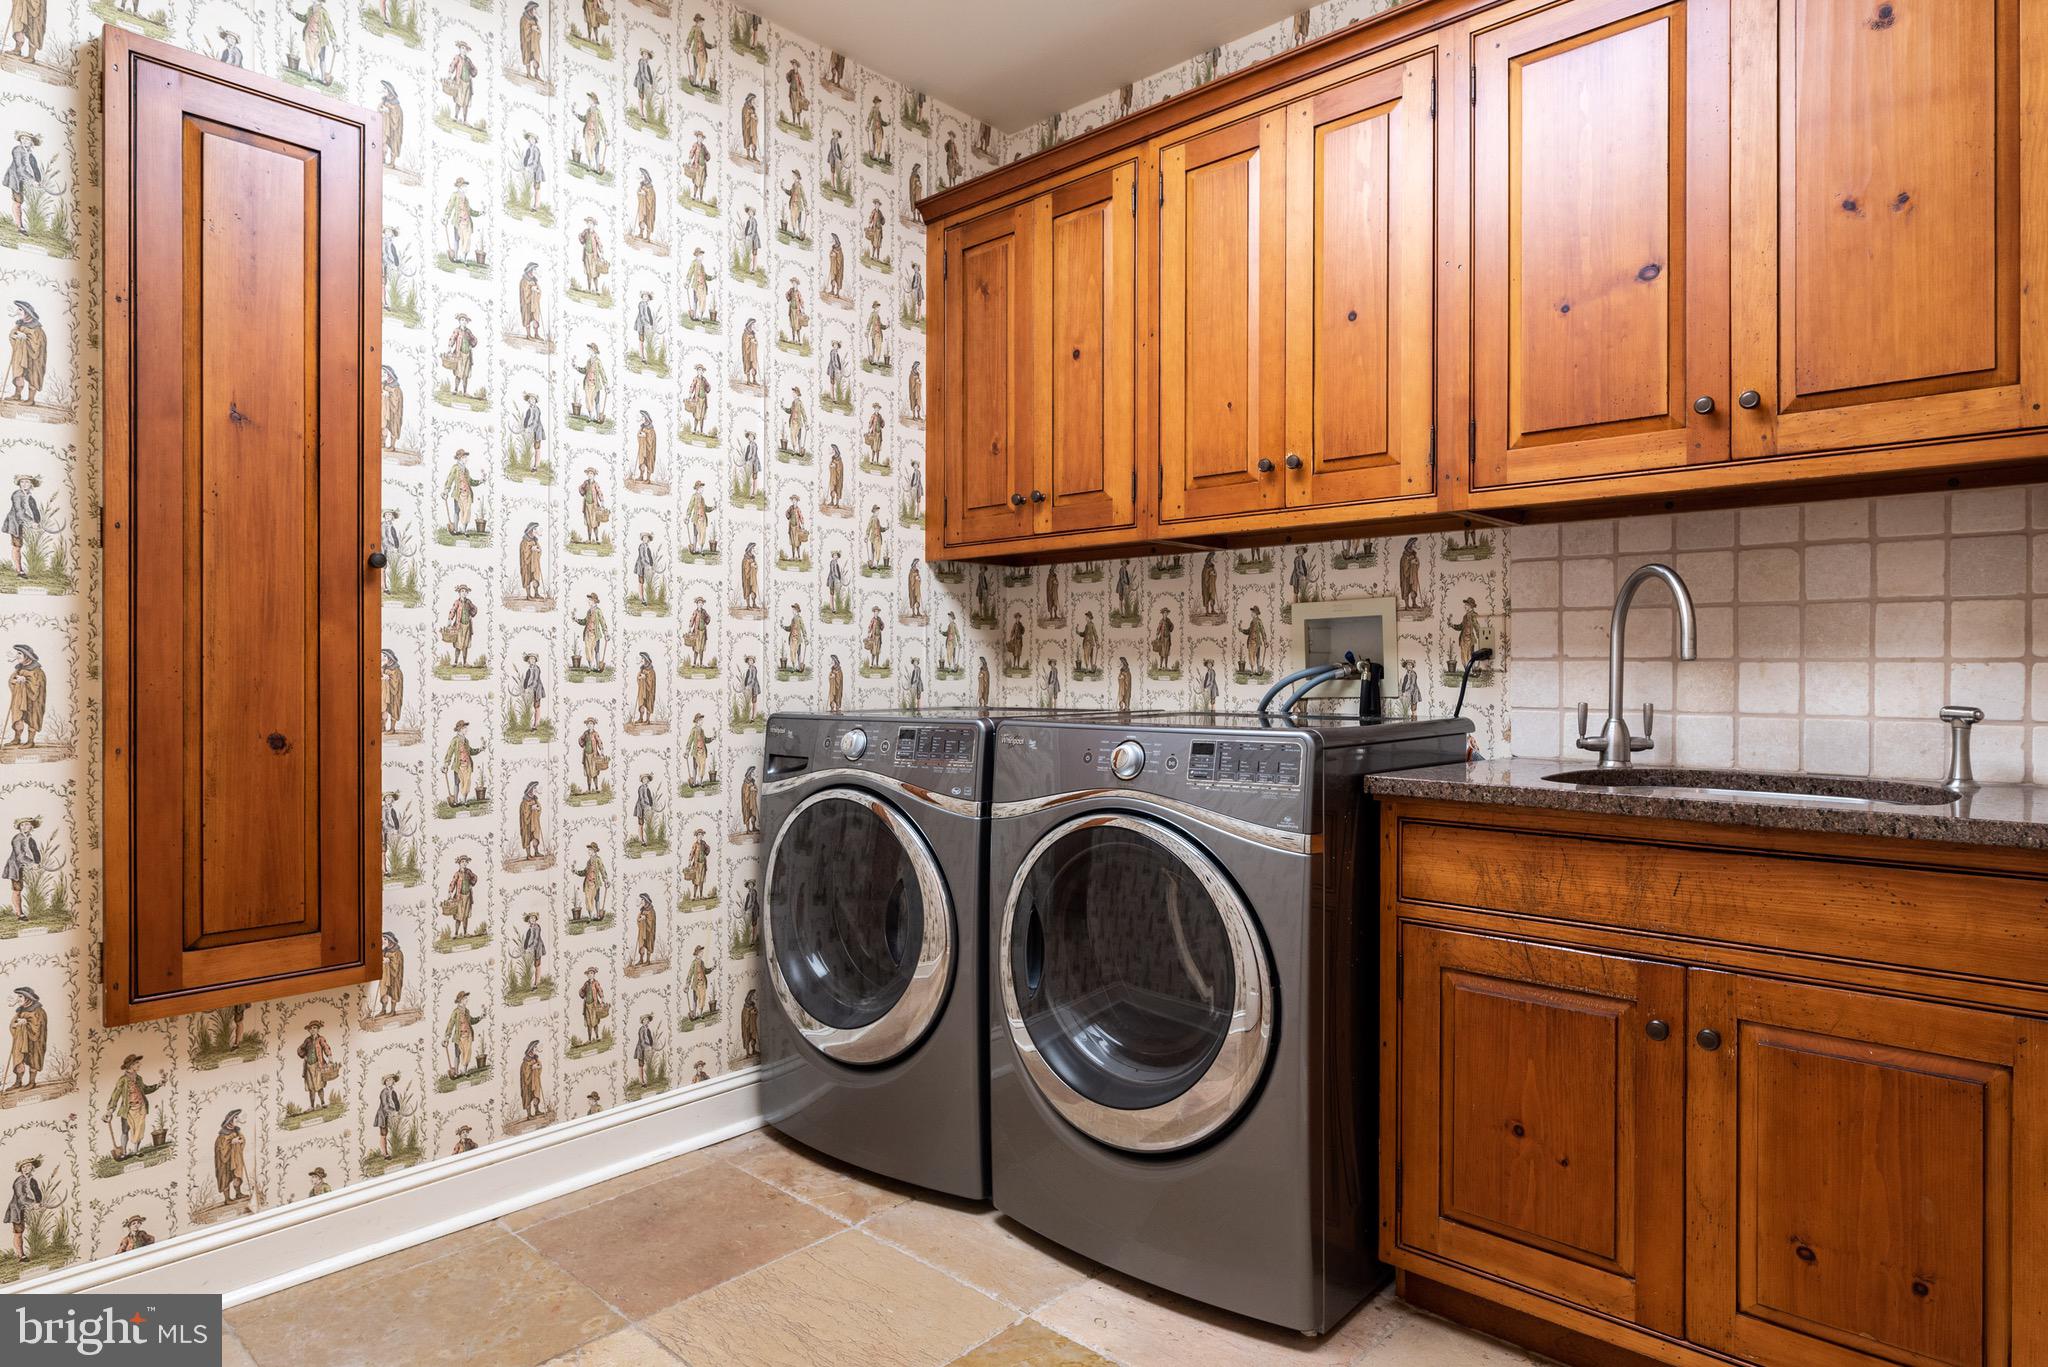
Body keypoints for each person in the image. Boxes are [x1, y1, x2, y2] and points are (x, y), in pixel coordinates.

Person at [103, 1053, 162, 1158]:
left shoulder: (139, 1078)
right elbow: (115, 1094)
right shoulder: (123, 1080)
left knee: (139, 1129)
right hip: (128, 1110)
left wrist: (157, 1086)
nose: (139, 1065)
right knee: (125, 1131)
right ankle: (124, 1152)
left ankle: (136, 1151)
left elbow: (145, 1089)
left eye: (138, 1062)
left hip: (141, 1108)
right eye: (137, 1063)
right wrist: (110, 1110)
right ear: (131, 1065)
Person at [6, 985, 43, 1089]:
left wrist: (27, 1023)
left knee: (33, 1058)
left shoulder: (38, 1011)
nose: (18, 999)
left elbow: (38, 1026)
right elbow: (13, 1023)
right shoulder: (20, 1011)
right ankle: (18, 1082)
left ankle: (32, 1082)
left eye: (20, 996)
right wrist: (16, 1024)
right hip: (21, 1040)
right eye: (18, 996)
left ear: (28, 998)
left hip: (33, 1040)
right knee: (18, 1057)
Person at [4, 814, 38, 921]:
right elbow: (19, 856)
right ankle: (20, 914)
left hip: (24, 866)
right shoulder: (17, 839)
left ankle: (21, 913)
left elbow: (35, 852)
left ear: (31, 826)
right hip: (15, 867)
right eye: (22, 825)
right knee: (17, 889)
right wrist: (32, 863)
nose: (24, 826)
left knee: (21, 888)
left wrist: (37, 862)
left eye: (26, 824)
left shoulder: (30, 838)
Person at [6, 1156, 39, 1261]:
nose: (25, 1168)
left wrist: (39, 1202)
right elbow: (21, 1198)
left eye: (28, 1165)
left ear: (32, 1167)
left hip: (26, 1208)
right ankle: (21, 1256)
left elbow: (37, 1192)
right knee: (18, 1232)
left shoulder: (32, 1180)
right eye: (23, 1167)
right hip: (17, 1209)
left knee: (23, 1229)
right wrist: (33, 1204)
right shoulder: (19, 1181)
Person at [213, 1110, 247, 1204]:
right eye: (236, 1117)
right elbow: (222, 1147)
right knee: (225, 1176)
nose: (237, 1119)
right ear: (230, 1120)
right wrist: (231, 1142)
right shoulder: (223, 1134)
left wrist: (240, 1140)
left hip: (234, 1158)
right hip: (225, 1160)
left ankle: (238, 1193)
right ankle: (227, 1199)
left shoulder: (236, 1130)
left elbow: (241, 1139)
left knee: (237, 1174)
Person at [373, 1073, 403, 1157]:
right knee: (383, 1133)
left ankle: (394, 1150)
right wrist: (393, 1112)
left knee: (393, 1131)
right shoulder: (384, 1092)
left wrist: (397, 1111)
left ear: (394, 1081)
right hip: (383, 1115)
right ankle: (385, 1154)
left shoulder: (393, 1092)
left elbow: (396, 1103)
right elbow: (385, 1106)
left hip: (390, 1115)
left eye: (391, 1079)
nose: (389, 1081)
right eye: (387, 1080)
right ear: (385, 1082)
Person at [378, 929, 404, 1017]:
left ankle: (393, 1011)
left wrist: (389, 961)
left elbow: (396, 965)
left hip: (394, 976)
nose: (383, 941)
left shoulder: (397, 952)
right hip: (385, 976)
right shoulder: (384, 950)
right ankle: (383, 1010)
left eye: (385, 939)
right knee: (383, 991)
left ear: (390, 940)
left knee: (394, 992)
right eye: (382, 938)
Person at [579, 967, 607, 1044]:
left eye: (591, 973)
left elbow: (600, 990)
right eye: (589, 974)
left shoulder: (596, 983)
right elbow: (581, 991)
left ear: (594, 974)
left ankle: (597, 1037)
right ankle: (589, 1039)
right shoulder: (586, 983)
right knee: (589, 1023)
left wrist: (602, 998)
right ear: (587, 975)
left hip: (594, 1005)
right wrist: (583, 996)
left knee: (595, 1022)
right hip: (587, 1006)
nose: (590, 975)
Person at [519, 1040, 544, 1117]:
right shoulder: (525, 1061)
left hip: (535, 1081)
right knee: (528, 1097)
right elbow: (525, 1072)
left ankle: (537, 1111)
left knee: (536, 1095)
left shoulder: (535, 1058)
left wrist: (538, 1066)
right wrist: (532, 1067)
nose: (533, 1051)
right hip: (528, 1083)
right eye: (532, 1049)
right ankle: (529, 1115)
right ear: (529, 1050)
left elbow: (539, 1066)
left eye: (534, 1049)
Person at [634, 1013, 658, 1086]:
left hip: (647, 1049)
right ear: (643, 1021)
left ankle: (649, 1079)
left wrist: (651, 1046)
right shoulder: (641, 1029)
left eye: (647, 1019)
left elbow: (650, 1039)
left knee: (648, 1063)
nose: (647, 1021)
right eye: (645, 1019)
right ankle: (641, 1082)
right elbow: (642, 1040)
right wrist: (647, 1047)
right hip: (641, 1049)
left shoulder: (648, 1030)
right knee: (641, 1064)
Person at [635, 893, 657, 966]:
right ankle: (641, 959)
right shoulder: (642, 910)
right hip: (642, 931)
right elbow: (638, 919)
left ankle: (648, 961)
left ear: (646, 900)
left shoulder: (651, 910)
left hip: (649, 931)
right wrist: (640, 919)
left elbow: (651, 921)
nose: (641, 901)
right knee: (641, 944)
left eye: (642, 899)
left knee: (648, 944)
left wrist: (646, 918)